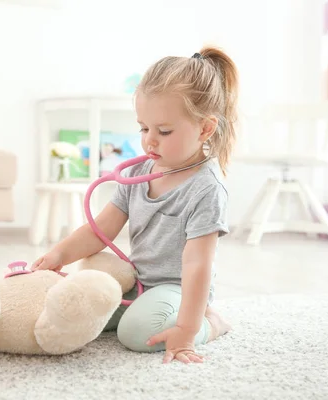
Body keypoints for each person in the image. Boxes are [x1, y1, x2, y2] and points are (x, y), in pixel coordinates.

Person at [32, 46, 238, 364]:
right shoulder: (138, 172)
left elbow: (198, 265)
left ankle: (211, 323)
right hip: (138, 280)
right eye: (143, 128)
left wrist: (187, 329)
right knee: (79, 311)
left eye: (164, 131)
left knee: (136, 333)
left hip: (178, 288)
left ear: (205, 129)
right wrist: (59, 254)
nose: (149, 140)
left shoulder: (206, 188)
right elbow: (101, 228)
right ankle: (150, 310)